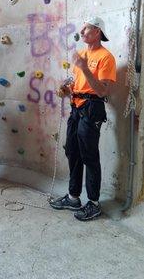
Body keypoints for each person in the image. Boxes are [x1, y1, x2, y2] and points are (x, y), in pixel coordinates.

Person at [50, 17, 116, 221]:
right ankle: (73, 197)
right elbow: (78, 84)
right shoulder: (81, 55)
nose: (82, 30)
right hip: (76, 107)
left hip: (92, 108)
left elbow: (103, 90)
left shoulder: (106, 57)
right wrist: (67, 89)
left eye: (86, 28)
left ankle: (94, 203)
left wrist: (85, 68)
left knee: (89, 156)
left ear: (97, 31)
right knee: (72, 152)